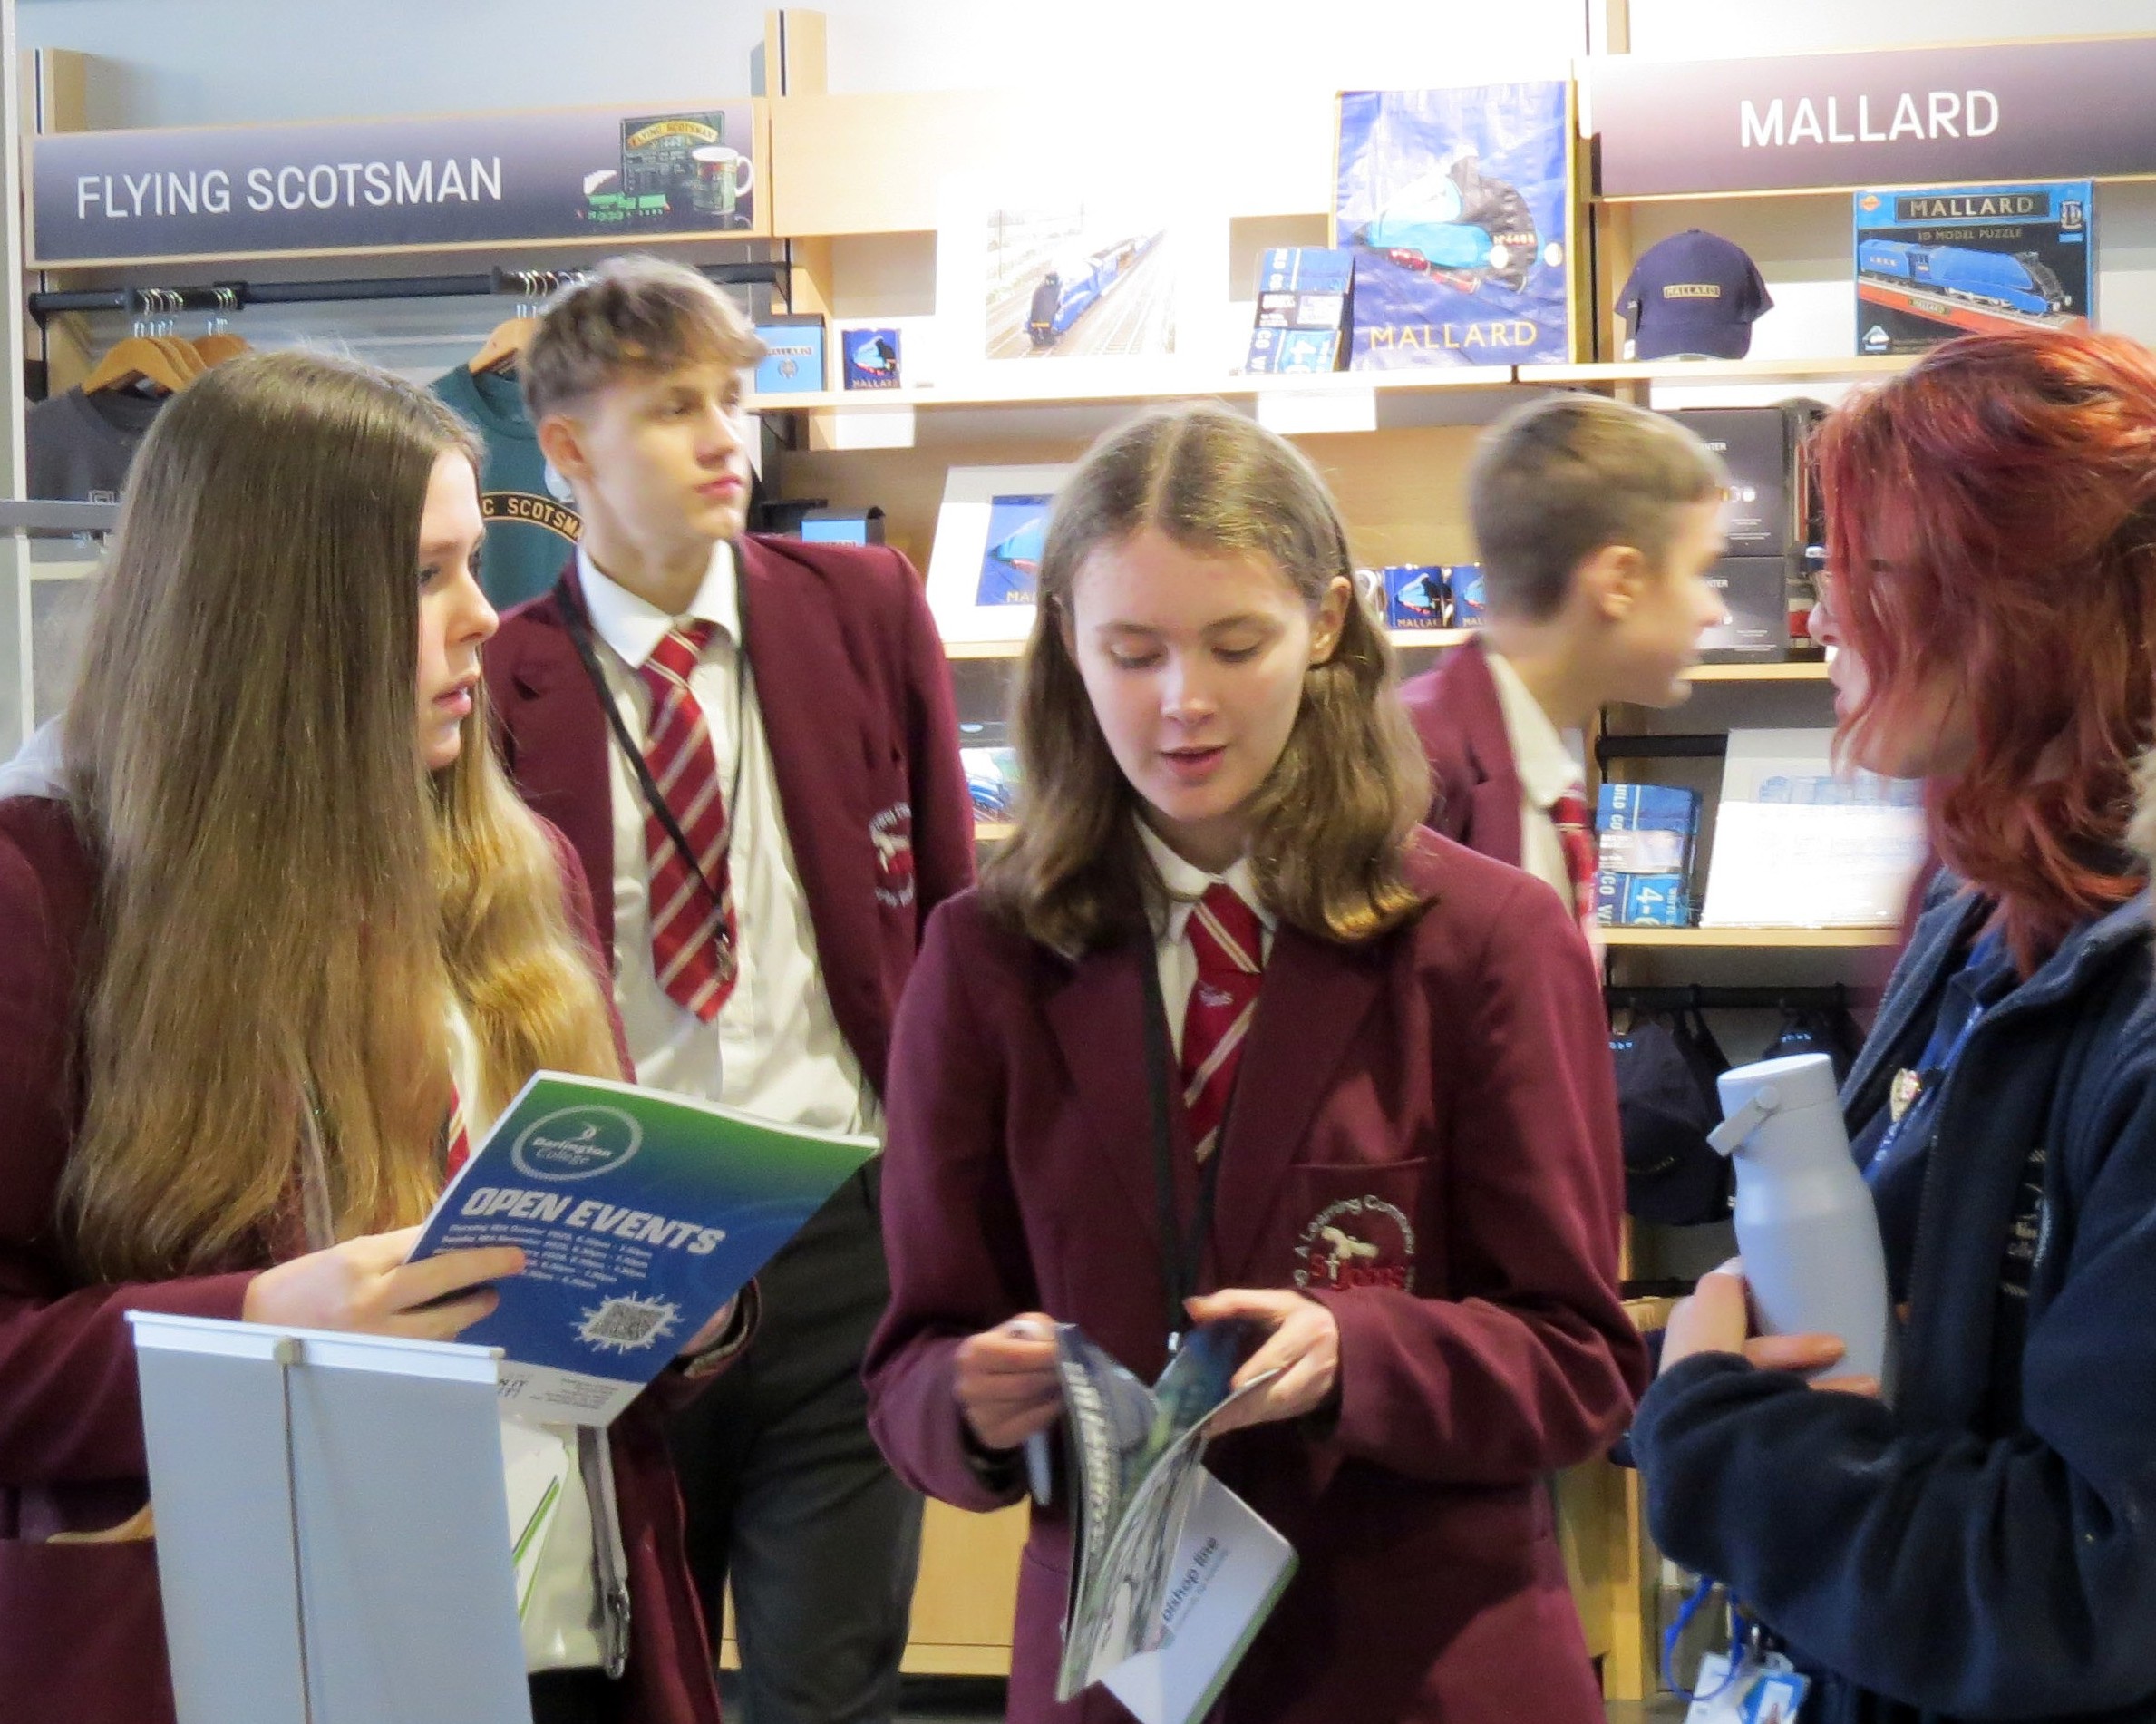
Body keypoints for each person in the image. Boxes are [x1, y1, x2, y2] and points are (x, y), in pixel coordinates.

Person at [864, 402, 1648, 1723]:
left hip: (1421, 1666)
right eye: (1131, 651)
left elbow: (1579, 1360)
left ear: (1327, 623)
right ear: (1064, 638)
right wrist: (970, 1398)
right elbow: (909, 1359)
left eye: (1237, 644)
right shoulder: (983, 959)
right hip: (1119, 1669)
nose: (1184, 702)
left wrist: (1356, 1349)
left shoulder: (1485, 941)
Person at [0, 348, 750, 1724]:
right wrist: (259, 1320)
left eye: (473, 562)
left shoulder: (517, 864)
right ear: (267, 611)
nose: (482, 617)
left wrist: (685, 1301)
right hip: (263, 1656)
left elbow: (601, 1260)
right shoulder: (45, 887)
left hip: (569, 1646)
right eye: (425, 574)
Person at [1633, 328, 2156, 1724]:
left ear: (2023, 605)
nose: (1820, 619)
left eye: (1865, 575)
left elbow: (2089, 1591)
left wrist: (1724, 1443)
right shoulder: (1984, 896)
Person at [484, 257, 974, 1724]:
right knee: (638, 1664)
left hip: (848, 1217)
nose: (725, 440)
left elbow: (947, 906)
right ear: (567, 448)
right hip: (625, 1226)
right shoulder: (499, 684)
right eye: (673, 407)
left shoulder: (863, 607)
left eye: (735, 398)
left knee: (833, 1679)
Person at [1400, 393, 1727, 936]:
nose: (1712, 611)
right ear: (1620, 582)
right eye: (1699, 572)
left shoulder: (1536, 767)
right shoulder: (1413, 770)